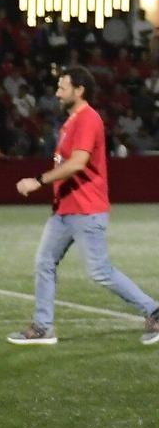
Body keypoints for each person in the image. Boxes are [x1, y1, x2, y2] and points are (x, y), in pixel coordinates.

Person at [8, 65, 159, 346]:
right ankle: (43, 327)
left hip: (86, 210)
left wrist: (38, 180)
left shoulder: (87, 119)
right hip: (65, 210)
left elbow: (77, 164)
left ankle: (154, 310)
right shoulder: (70, 122)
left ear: (80, 90)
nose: (57, 92)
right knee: (44, 262)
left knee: (100, 272)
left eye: (63, 87)